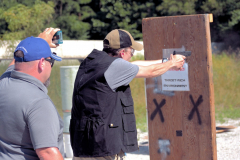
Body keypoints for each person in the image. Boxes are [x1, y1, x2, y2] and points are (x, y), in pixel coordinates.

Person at [70, 29, 186, 160]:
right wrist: (172, 63)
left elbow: (133, 65)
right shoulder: (115, 66)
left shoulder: (95, 61)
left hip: (84, 142)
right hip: (103, 147)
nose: (132, 55)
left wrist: (165, 62)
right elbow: (150, 72)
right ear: (122, 52)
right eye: (132, 51)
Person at [0, 28, 64, 160]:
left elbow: (16, 63)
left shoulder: (4, 81)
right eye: (51, 62)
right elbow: (48, 153)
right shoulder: (39, 103)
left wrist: (40, 41)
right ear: (42, 63)